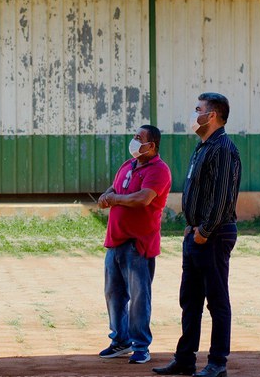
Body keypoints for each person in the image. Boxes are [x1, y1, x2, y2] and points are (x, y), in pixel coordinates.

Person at [153, 93, 241, 377]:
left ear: (212, 115)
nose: (194, 115)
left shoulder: (223, 148)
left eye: (198, 110)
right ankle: (185, 358)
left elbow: (222, 198)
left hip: (213, 235)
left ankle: (217, 363)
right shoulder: (203, 147)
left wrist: (204, 230)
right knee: (190, 300)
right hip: (196, 235)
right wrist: (192, 228)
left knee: (216, 301)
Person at [97, 124, 172, 365]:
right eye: (134, 136)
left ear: (151, 145)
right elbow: (115, 187)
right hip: (116, 241)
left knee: (140, 296)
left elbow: (143, 198)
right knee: (114, 293)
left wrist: (115, 199)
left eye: (139, 138)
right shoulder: (128, 166)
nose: (134, 141)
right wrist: (106, 195)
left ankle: (141, 345)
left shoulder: (159, 170)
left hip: (138, 244)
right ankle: (120, 340)